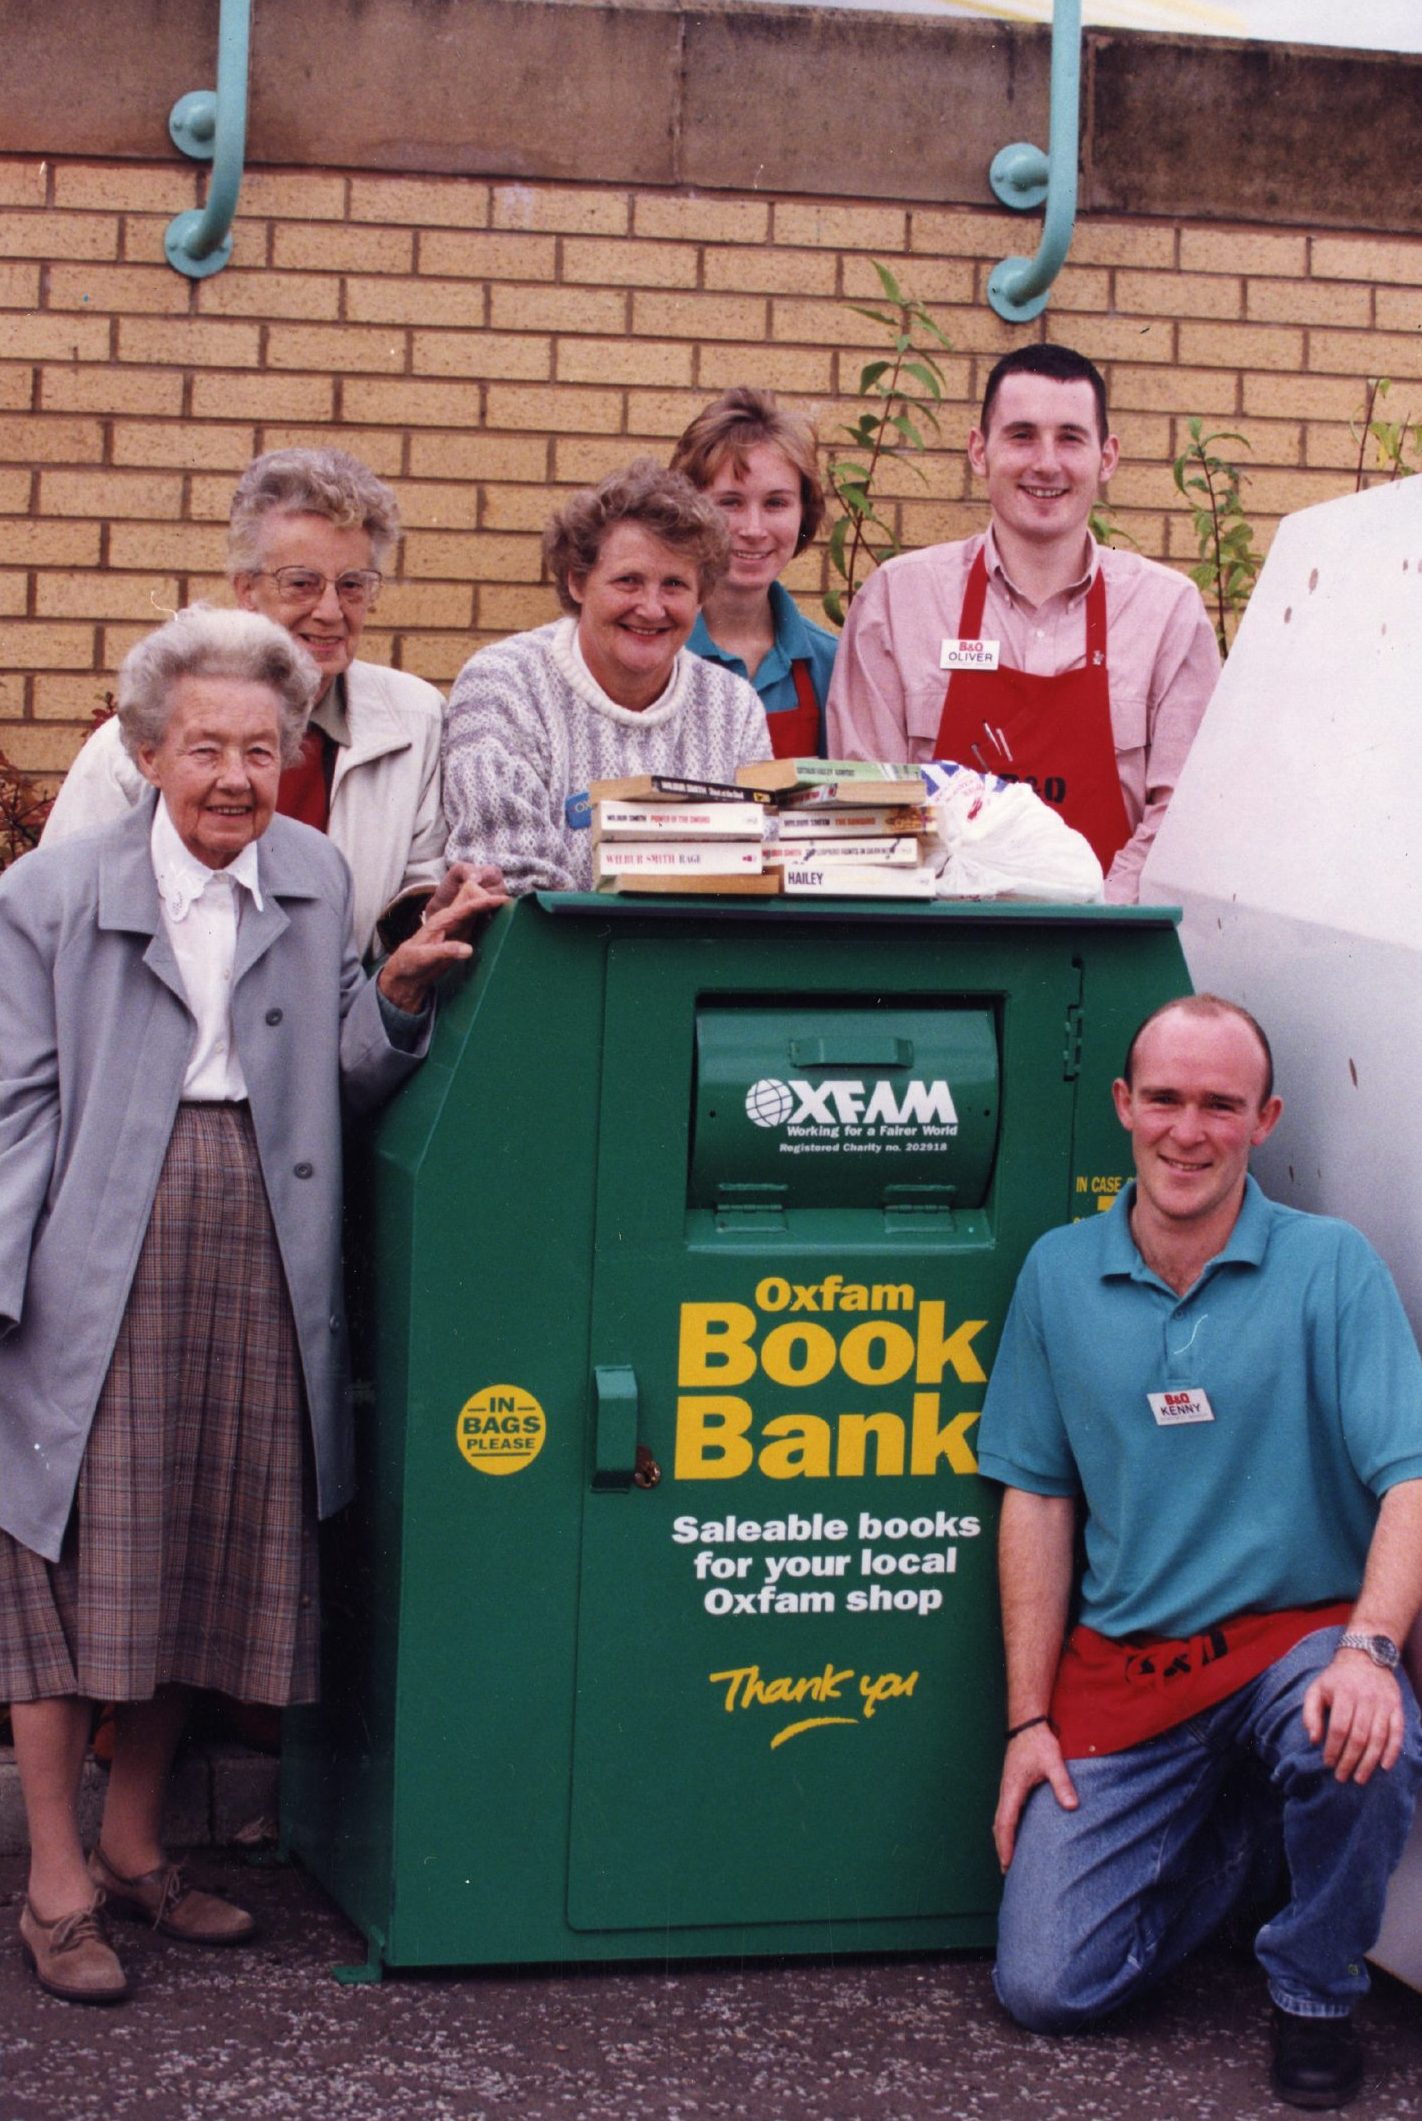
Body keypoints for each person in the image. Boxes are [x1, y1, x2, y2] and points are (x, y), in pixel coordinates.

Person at [0, 605, 503, 2007]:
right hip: (93, 1244)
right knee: (59, 1565)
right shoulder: (52, 892)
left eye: (263, 748)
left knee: (200, 1546)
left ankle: (134, 1845)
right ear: (146, 751)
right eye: (205, 746)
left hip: (263, 1236)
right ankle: (52, 1882)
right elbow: (12, 1105)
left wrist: (396, 996)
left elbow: (336, 1083)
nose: (235, 773)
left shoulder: (311, 869)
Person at [977, 994, 1422, 2109]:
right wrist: (1029, 1723)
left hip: (1295, 1642)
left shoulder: (1331, 1266)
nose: (1189, 1130)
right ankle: (1257, 1848)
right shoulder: (1057, 1274)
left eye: (1220, 1105)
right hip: (1131, 1663)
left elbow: (1412, 1477)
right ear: (1124, 1105)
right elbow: (1035, 1500)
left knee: (1363, 1733)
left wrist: (1371, 1650)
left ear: (1263, 1120)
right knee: (1047, 1985)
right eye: (1165, 1099)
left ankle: (1316, 1991)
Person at [826, 345, 1220, 902]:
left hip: (1107, 953)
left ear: (1106, 457)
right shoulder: (898, 600)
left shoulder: (1166, 613)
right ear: (978, 450)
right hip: (936, 948)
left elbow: (1184, 815)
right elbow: (863, 807)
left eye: (1070, 437)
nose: (1046, 462)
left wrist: (1093, 918)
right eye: (1021, 435)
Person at [42, 447, 461, 957]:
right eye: (301, 584)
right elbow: (57, 912)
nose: (330, 612)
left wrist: (432, 909)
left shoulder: (415, 720)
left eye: (352, 586)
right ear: (246, 590)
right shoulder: (133, 744)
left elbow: (414, 886)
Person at [442, 458, 771, 895]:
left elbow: (760, 862)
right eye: (629, 581)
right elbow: (508, 879)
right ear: (578, 582)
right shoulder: (503, 683)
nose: (652, 608)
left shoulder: (734, 705)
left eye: (674, 585)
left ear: (701, 596)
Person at [669, 387, 837, 757]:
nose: (754, 528)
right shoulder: (656, 651)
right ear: (688, 510)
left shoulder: (831, 665)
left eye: (776, 503)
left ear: (803, 514)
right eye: (730, 502)